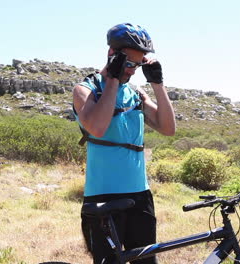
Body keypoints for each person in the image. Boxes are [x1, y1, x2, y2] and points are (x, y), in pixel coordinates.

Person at [72, 23, 176, 264]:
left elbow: (168, 129)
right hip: (102, 197)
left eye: (138, 65)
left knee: (146, 262)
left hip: (139, 195)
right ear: (112, 55)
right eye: (129, 63)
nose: (132, 71)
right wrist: (113, 81)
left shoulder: (136, 93)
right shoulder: (86, 90)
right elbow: (97, 127)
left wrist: (158, 85)